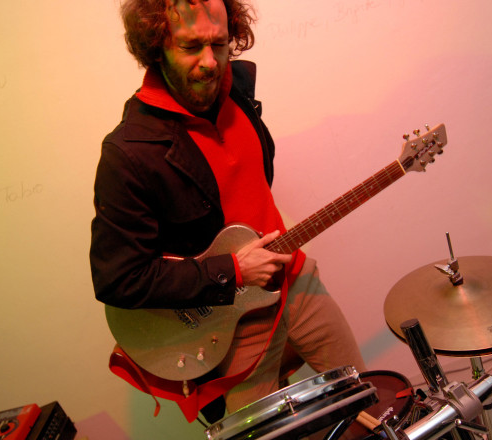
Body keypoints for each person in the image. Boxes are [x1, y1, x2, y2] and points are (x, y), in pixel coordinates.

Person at [90, 0, 366, 424]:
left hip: (296, 281)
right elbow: (120, 279)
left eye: (219, 44)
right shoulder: (128, 152)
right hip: (232, 324)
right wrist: (233, 271)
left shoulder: (238, 91)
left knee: (363, 402)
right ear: (156, 47)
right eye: (190, 46)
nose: (210, 63)